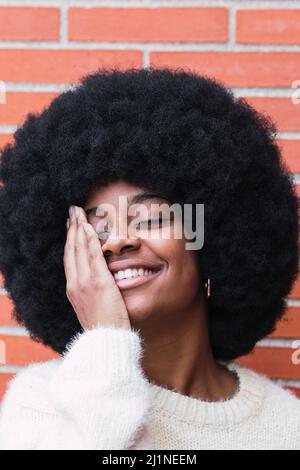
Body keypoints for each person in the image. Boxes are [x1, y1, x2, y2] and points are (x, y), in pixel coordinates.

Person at [0, 68, 299, 450]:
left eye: (150, 217)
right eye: (97, 228)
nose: (118, 241)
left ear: (212, 240)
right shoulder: (45, 405)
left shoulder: (287, 427)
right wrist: (106, 339)